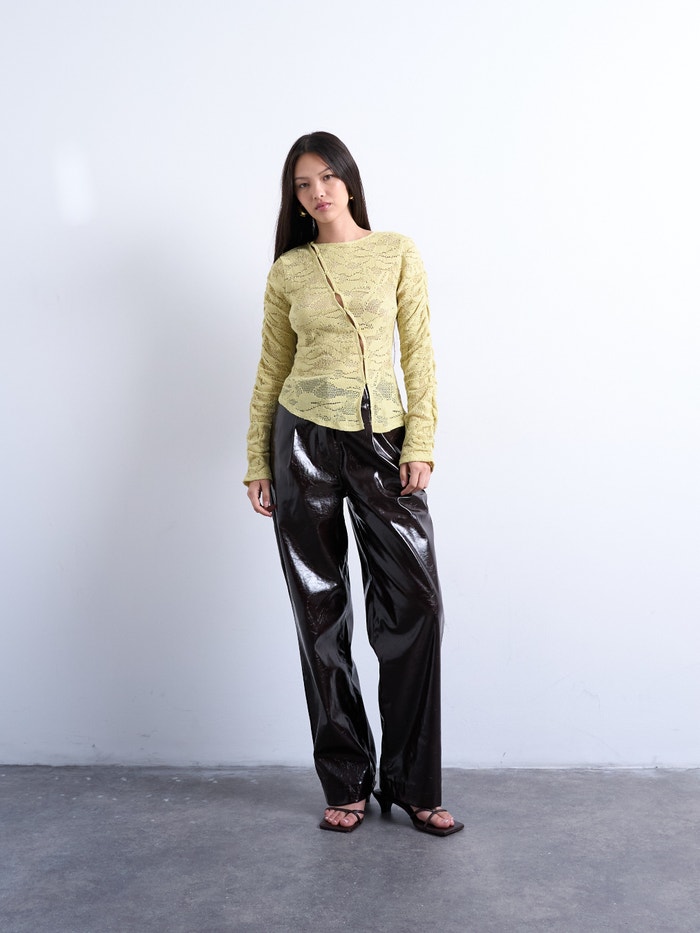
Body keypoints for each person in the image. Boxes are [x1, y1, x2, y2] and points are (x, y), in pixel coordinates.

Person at [244, 131, 463, 837]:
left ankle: (413, 783)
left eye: (327, 177)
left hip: (382, 441)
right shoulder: (289, 270)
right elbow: (271, 370)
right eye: (303, 185)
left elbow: (419, 351)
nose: (318, 192)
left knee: (416, 604)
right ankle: (345, 780)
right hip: (301, 443)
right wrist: (257, 461)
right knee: (319, 613)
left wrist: (420, 441)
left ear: (349, 179)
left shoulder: (396, 251)